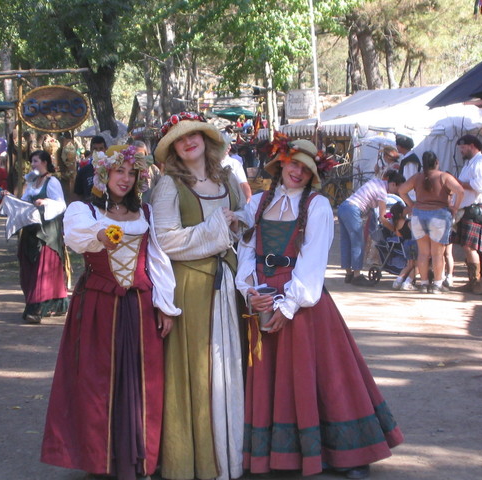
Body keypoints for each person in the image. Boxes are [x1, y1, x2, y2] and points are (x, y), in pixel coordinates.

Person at [236, 136, 404, 480]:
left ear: (314, 174)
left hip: (302, 301)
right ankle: (277, 455)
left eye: (305, 168)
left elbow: (313, 262)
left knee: (324, 376)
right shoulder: (257, 203)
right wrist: (250, 290)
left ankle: (348, 453)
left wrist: (288, 306)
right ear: (281, 163)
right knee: (275, 379)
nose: (297, 172)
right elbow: (246, 251)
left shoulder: (317, 206)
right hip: (264, 296)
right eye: (293, 163)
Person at [41, 145, 180, 478]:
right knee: (97, 381)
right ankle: (100, 458)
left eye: (132, 173)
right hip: (98, 307)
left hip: (140, 304)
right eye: (120, 172)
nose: (126, 179)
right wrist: (100, 234)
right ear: (104, 174)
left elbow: (158, 261)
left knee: (142, 379)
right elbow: (75, 237)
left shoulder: (145, 213)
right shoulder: (84, 210)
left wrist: (166, 306)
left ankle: (139, 457)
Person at [151, 112, 246, 480]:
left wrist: (237, 222)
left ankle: (231, 457)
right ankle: (198, 463)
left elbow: (242, 217)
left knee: (227, 369)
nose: (188, 142)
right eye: (180, 138)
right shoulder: (168, 186)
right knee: (197, 373)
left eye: (194, 135)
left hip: (227, 284)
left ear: (207, 140)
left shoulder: (227, 178)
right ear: (173, 148)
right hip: (190, 288)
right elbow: (167, 241)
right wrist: (217, 227)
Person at [398, 151, 464, 294]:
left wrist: (412, 204)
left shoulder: (417, 177)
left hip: (419, 215)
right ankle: (437, 285)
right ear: (437, 162)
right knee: (437, 254)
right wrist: (455, 207)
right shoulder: (444, 177)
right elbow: (460, 191)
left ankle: (424, 283)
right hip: (439, 215)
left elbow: (401, 190)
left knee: (423, 253)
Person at [16, 150, 69, 323]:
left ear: (45, 162)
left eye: (36, 161)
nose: (33, 164)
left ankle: (37, 308)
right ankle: (55, 303)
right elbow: (24, 202)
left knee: (43, 268)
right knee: (30, 267)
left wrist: (45, 202)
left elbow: (61, 205)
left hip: (47, 231)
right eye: (32, 161)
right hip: (32, 229)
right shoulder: (32, 182)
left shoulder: (52, 181)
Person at [337, 170, 405, 286]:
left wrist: (390, 216)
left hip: (344, 207)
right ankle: (357, 275)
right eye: (399, 189)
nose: (399, 192)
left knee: (346, 242)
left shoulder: (376, 182)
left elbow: (383, 214)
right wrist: (395, 230)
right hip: (353, 210)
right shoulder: (382, 192)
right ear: (393, 184)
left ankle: (349, 274)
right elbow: (383, 218)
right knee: (358, 243)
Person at [453, 134, 482, 295]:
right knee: (466, 247)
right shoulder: (469, 164)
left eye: (463, 148)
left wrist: (456, 183)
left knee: (470, 247)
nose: (461, 151)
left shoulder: (481, 162)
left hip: (476, 209)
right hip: (467, 209)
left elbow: (479, 186)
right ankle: (472, 280)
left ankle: (476, 283)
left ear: (471, 145)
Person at [383, 202, 418, 291]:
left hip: (405, 244)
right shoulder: (408, 223)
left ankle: (398, 281)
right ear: (400, 213)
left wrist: (390, 214)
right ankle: (407, 282)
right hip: (413, 244)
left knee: (409, 265)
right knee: (418, 265)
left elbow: (384, 216)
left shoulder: (396, 225)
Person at [73, 135, 107, 200]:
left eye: (101, 148)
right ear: (91, 151)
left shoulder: (111, 169)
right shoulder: (83, 171)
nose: (98, 152)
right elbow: (78, 195)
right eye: (95, 149)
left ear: (105, 149)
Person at [222, 137, 252, 202]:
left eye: (229, 144)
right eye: (225, 144)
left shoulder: (234, 163)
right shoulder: (204, 164)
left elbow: (243, 184)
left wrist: (248, 200)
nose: (229, 147)